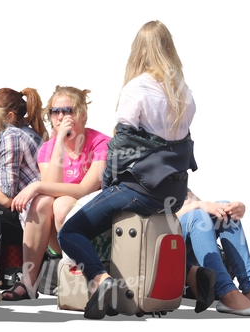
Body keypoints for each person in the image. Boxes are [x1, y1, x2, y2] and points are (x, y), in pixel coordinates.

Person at [57, 20, 205, 319]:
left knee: (71, 231)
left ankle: (101, 280)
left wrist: (109, 183)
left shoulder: (137, 88)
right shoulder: (183, 92)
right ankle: (193, 275)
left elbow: (121, 145)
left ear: (138, 50)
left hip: (141, 187)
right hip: (172, 190)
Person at [2, 86, 111, 301]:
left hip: (93, 228)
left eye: (67, 110)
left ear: (82, 113)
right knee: (42, 202)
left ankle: (81, 278)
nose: (60, 117)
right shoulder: (49, 147)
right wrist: (60, 142)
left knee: (60, 205)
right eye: (54, 111)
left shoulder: (101, 143)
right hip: (59, 232)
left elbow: (85, 189)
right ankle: (28, 282)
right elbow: (50, 186)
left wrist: (36, 186)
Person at [175, 189, 250, 316]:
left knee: (224, 210)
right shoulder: (147, 175)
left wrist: (236, 208)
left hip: (184, 250)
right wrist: (199, 205)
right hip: (165, 250)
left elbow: (199, 206)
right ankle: (226, 292)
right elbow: (155, 218)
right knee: (197, 215)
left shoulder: (172, 175)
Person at [0, 87, 46, 287]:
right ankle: (2, 271)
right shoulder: (25, 130)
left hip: (27, 215)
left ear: (9, 116)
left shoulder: (11, 136)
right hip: (29, 211)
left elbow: (6, 196)